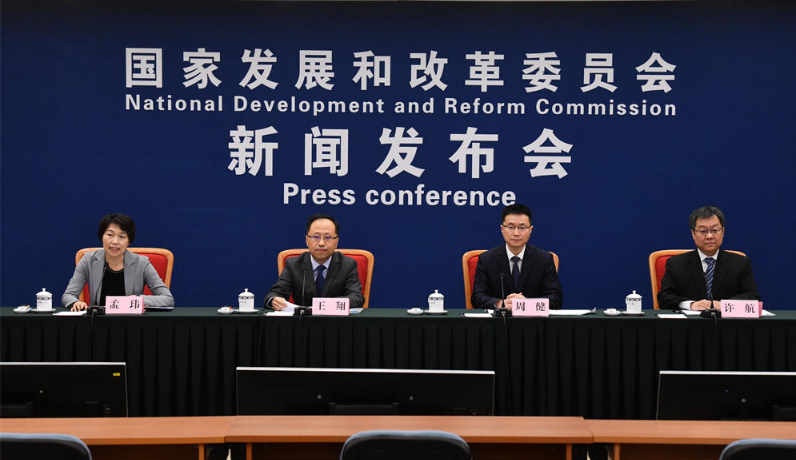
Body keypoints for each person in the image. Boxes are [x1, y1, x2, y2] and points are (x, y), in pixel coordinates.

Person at [62, 213, 175, 311]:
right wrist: (75, 303)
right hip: (96, 323)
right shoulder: (88, 260)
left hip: (130, 322)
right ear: (102, 237)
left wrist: (138, 299)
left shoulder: (142, 263)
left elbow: (168, 299)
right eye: (110, 235)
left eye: (122, 237)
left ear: (129, 241)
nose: (115, 241)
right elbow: (68, 295)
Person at [658, 206, 760, 311]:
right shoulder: (676, 264)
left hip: (726, 320)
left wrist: (725, 305)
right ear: (693, 234)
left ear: (723, 231)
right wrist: (691, 305)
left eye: (715, 230)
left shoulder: (741, 263)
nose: (709, 236)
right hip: (690, 320)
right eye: (703, 231)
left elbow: (752, 296)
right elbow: (664, 298)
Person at [471, 204, 562, 310]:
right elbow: (477, 297)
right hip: (499, 319)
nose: (516, 233)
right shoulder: (487, 259)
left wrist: (527, 304)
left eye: (522, 228)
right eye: (511, 227)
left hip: (532, 319)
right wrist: (501, 304)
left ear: (530, 230)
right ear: (502, 229)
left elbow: (555, 299)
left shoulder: (544, 259)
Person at [264, 214, 364, 310]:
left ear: (336, 242)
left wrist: (324, 306)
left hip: (336, 320)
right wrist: (274, 300)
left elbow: (356, 297)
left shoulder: (347, 265)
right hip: (303, 320)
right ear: (307, 240)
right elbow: (274, 294)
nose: (321, 243)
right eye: (316, 237)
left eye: (328, 238)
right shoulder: (293, 265)